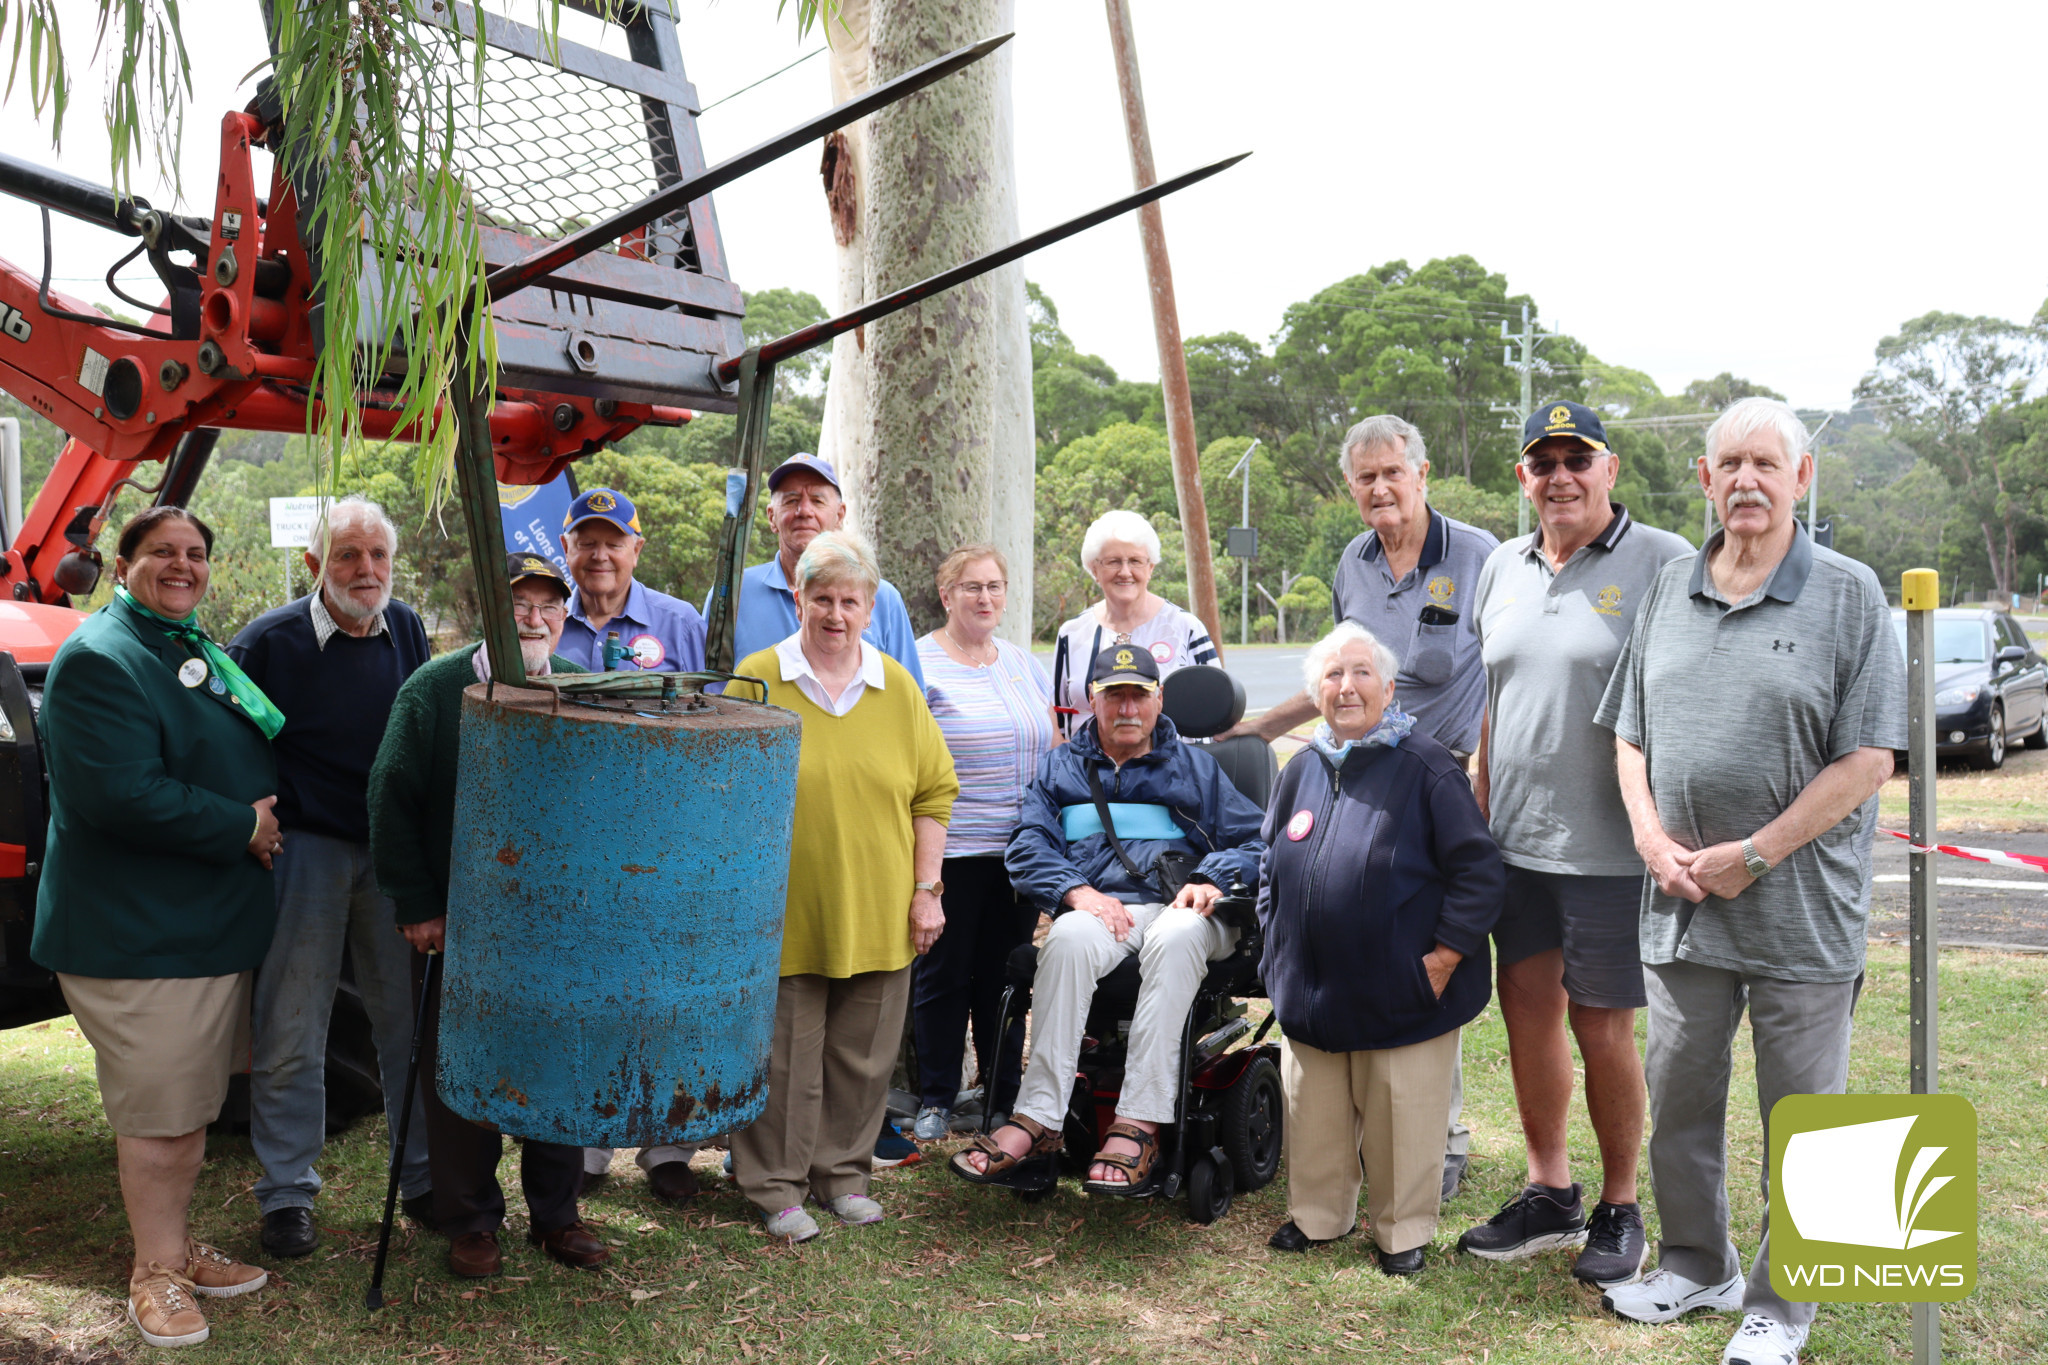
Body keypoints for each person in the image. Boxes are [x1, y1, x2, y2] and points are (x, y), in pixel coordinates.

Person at [1593, 397, 1905, 1365]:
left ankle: (1783, 1306)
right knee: (1679, 1092)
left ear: (1799, 478)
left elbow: (1866, 763)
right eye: (1727, 463)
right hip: (1680, 906)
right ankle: (1695, 1263)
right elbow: (1627, 732)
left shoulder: (1850, 594)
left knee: (1805, 1116)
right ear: (1701, 478)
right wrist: (1648, 837)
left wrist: (1755, 854)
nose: (1745, 481)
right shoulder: (1667, 589)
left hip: (1799, 915)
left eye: (1765, 464)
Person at [1229, 413, 1500, 1197]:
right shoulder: (1353, 560)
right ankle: (1352, 1141)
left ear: (1422, 474)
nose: (1381, 488)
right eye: (1365, 478)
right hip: (1359, 775)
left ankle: (1439, 1145)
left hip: (1439, 777)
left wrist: (1481, 781)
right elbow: (1342, 678)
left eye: (1393, 473)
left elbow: (1498, 679)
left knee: (1428, 964)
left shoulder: (1479, 555)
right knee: (1361, 950)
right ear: (1351, 490)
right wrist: (1259, 727)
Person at [1455, 402, 1694, 1287]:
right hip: (1515, 847)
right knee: (1528, 1023)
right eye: (1542, 461)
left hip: (1612, 852)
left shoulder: (1663, 561)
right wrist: (1478, 830)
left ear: (1609, 469)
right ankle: (1549, 1188)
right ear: (1523, 476)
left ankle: (1622, 1204)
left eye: (1576, 459)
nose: (1559, 476)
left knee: (1603, 1028)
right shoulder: (1499, 568)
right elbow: (1491, 701)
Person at [31, 506, 279, 1348]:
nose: (183, 566)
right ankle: (155, 1274)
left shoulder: (176, 643)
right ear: (121, 564)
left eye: (196, 553)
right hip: (139, 931)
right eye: (162, 553)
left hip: (192, 924)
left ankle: (174, 1244)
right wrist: (243, 825)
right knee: (161, 1116)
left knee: (187, 1108)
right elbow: (120, 794)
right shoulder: (101, 658)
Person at [368, 554, 611, 1278]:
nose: (534, 619)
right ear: (491, 612)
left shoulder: (584, 685)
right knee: (459, 1074)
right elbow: (390, 796)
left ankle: (557, 1215)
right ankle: (470, 1220)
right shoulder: (437, 688)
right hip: (461, 924)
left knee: (562, 1067)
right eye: (519, 605)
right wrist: (417, 905)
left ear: (565, 614)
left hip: (564, 928)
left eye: (548, 605)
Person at [952, 645, 1265, 1195]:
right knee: (1068, 936)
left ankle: (1140, 1121)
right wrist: (1075, 891)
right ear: (1090, 701)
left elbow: (1257, 840)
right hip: (1105, 912)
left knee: (1175, 934)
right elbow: (1028, 843)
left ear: (1158, 700)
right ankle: (1040, 1116)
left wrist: (1210, 879)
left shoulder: (1196, 768)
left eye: (1138, 695)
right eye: (1113, 694)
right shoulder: (1060, 770)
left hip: (1184, 910)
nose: (1126, 708)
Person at [728, 530, 958, 1243]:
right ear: (798, 598)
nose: (835, 613)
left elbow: (934, 795)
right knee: (784, 1055)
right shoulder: (759, 676)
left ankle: (844, 1175)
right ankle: (775, 1186)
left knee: (863, 1055)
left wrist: (928, 889)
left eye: (849, 601)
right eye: (821, 597)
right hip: (784, 907)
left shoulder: (896, 686)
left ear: (870, 607)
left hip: (879, 904)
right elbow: (723, 787)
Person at [1256, 623, 1502, 1275]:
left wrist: (1443, 959)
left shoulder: (1426, 766)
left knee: (1401, 1112)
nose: (1347, 686)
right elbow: (1268, 862)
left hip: (1404, 989)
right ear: (1315, 692)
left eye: (1362, 671)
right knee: (1315, 1109)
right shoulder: (1302, 766)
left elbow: (1478, 871)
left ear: (1389, 687)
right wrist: (1273, 949)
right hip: (1311, 988)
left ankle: (1401, 1231)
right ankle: (1318, 1216)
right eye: (1332, 675)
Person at [226, 496, 435, 1260]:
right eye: (348, 555)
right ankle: (286, 1195)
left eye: (378, 556)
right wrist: (250, 815)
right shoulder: (267, 643)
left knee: (405, 1023)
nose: (366, 571)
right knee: (291, 1023)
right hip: (306, 849)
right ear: (315, 565)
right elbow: (226, 741)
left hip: (389, 852)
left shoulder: (405, 627)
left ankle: (420, 1179)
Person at [909, 544, 1057, 1141]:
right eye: (972, 587)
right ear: (947, 596)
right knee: (944, 974)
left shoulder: (1021, 662)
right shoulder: (918, 662)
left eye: (995, 586)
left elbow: (1052, 743)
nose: (986, 597)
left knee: (1007, 974)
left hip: (1020, 853)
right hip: (953, 849)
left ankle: (1000, 1096)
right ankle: (938, 1097)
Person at [730, 453, 925, 685]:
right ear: (772, 517)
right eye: (791, 500)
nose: (804, 511)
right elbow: (707, 689)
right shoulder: (734, 594)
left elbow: (907, 695)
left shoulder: (882, 597)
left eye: (817, 500)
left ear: (840, 515)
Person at [1048, 509, 1217, 736]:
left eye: (1135, 561)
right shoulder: (1071, 634)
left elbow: (1215, 711)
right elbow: (1059, 714)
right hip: (1087, 768)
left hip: (1174, 768)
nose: (1125, 572)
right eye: (1113, 562)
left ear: (1150, 568)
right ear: (1094, 569)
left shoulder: (1186, 627)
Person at [554, 487, 706, 673]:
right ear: (565, 548)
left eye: (614, 545)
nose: (600, 556)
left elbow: (715, 699)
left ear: (636, 550)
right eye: (586, 544)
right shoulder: (543, 623)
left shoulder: (682, 624)